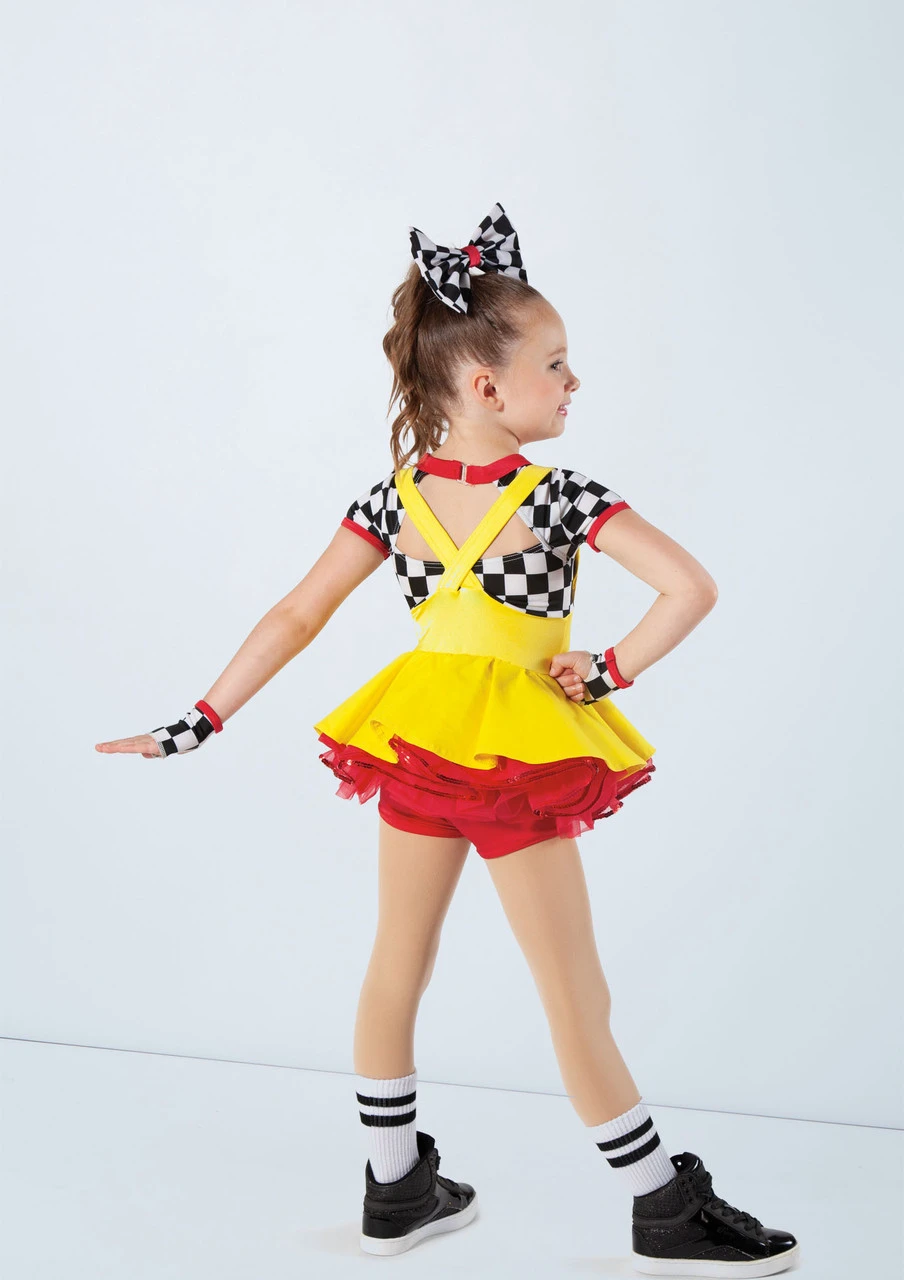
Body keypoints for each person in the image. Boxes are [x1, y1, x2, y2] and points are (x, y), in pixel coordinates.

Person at [95, 202, 800, 1276]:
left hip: (418, 744)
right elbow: (690, 587)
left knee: (396, 965)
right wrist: (609, 669)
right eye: (556, 365)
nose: (574, 382)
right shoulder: (561, 499)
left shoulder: (394, 498)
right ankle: (661, 1205)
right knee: (575, 994)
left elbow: (295, 613)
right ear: (487, 387)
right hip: (517, 761)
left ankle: (395, 1186)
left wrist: (198, 720)